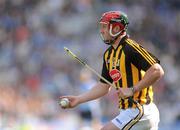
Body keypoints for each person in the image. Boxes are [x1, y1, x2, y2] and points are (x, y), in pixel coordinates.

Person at [60, 11, 164, 130]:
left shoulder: (130, 48)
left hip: (139, 110)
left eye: (105, 26)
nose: (101, 30)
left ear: (116, 28)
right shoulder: (109, 55)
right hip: (129, 112)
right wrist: (78, 99)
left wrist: (133, 89)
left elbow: (157, 70)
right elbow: (103, 87)